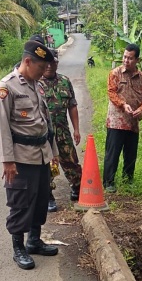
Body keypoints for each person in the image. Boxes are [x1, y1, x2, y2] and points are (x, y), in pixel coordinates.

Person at [0, 40, 59, 270]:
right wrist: (7, 161)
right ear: (28, 61)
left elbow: (46, 122)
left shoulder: (36, 85)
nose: (44, 72)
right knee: (21, 204)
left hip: (41, 154)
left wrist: (54, 152)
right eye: (41, 67)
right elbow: (1, 128)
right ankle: (18, 248)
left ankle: (34, 241)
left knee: (41, 199)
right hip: (20, 159)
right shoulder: (7, 87)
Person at [103, 44, 142, 193]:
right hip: (116, 120)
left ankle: (128, 179)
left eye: (130, 58)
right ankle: (108, 181)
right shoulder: (115, 73)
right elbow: (112, 93)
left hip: (133, 121)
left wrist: (141, 109)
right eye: (125, 57)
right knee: (113, 152)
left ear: (137, 59)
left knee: (131, 153)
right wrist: (123, 105)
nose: (126, 60)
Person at [40, 49, 83, 211]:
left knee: (71, 161)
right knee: (45, 166)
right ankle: (48, 196)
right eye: (47, 63)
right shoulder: (36, 83)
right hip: (44, 134)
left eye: (53, 63)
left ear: (57, 63)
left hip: (63, 130)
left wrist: (76, 129)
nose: (50, 66)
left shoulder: (65, 81)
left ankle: (77, 187)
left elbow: (72, 106)